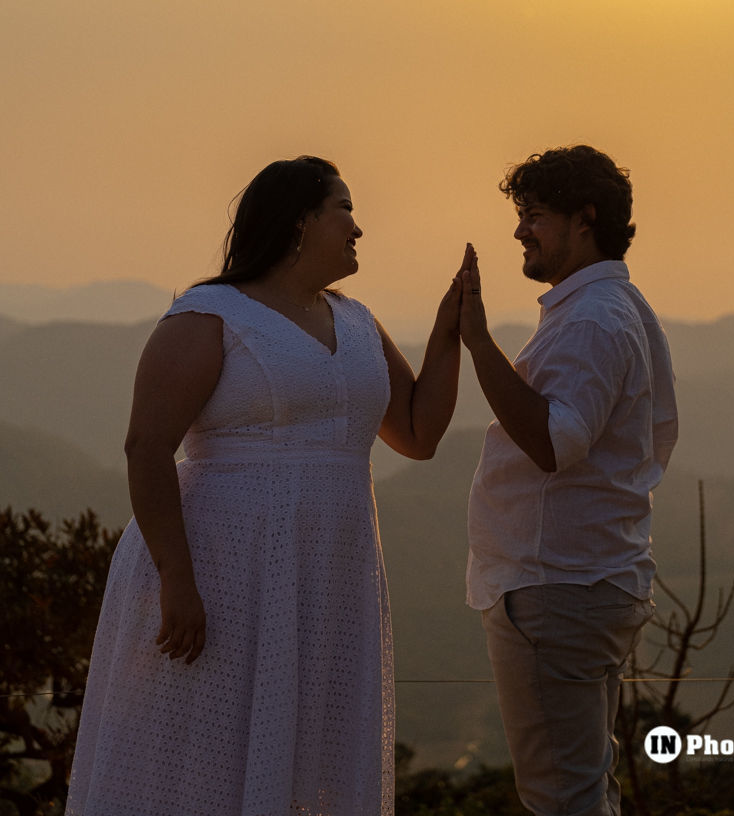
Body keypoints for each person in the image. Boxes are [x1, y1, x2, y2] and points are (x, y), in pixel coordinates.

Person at [66, 156, 465, 816]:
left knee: (307, 753)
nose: (358, 227)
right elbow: (147, 448)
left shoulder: (357, 322)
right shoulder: (210, 315)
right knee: (203, 749)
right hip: (223, 568)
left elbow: (418, 433)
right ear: (300, 222)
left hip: (328, 574)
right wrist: (176, 579)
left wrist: (450, 333)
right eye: (345, 209)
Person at [458, 145, 678, 816]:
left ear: (584, 219)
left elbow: (556, 442)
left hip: (557, 586)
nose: (520, 230)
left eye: (535, 215)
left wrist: (478, 341)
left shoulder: (592, 319)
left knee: (561, 798)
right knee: (585, 788)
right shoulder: (617, 307)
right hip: (587, 580)